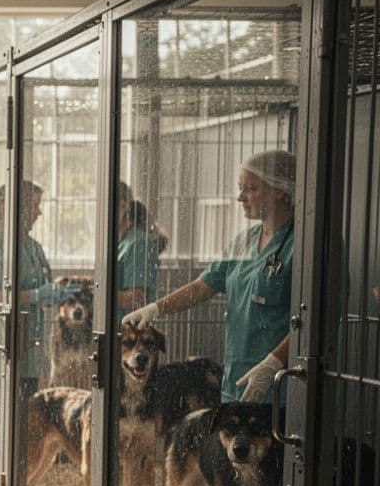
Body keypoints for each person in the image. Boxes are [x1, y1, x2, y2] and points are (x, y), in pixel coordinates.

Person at [125, 150, 296, 403]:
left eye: (250, 189)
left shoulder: (302, 245)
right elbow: (203, 286)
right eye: (240, 188)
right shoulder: (245, 241)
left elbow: (316, 321)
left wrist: (273, 363)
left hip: (280, 384)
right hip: (236, 379)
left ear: (280, 190)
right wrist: (156, 308)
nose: (240, 198)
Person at [0, 180, 78, 396]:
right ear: (13, 207)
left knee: (26, 417)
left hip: (28, 350)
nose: (39, 213)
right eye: (34, 205)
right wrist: (36, 295)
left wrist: (54, 294)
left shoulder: (32, 246)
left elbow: (44, 283)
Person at [114, 182, 167, 323]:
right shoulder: (120, 242)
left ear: (124, 206)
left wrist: (98, 294)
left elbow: (136, 299)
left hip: (132, 333)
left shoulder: (138, 243)